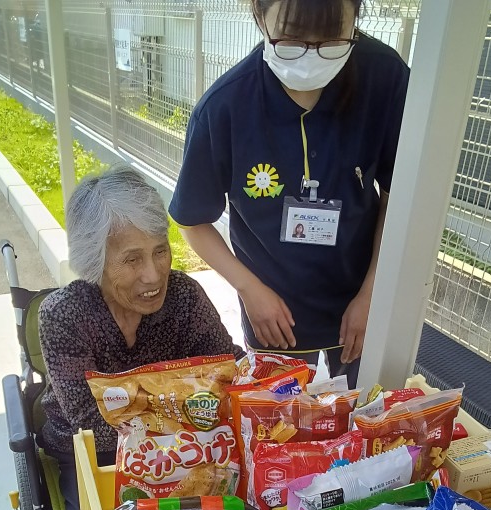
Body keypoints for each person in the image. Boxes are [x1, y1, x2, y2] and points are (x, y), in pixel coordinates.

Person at [38, 164, 242, 510]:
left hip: (186, 456)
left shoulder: (186, 298)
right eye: (131, 259)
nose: (153, 274)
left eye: (160, 251)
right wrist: (184, 406)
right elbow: (90, 419)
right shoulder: (64, 316)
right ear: (94, 260)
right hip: (94, 458)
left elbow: (229, 372)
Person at [169, 0, 410, 386]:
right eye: (292, 38)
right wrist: (249, 288)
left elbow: (399, 195)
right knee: (280, 417)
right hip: (274, 309)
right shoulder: (225, 106)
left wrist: (373, 293)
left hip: (362, 295)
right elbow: (192, 221)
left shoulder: (384, 79)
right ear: (259, 15)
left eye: (332, 39)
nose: (311, 55)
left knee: (368, 410)